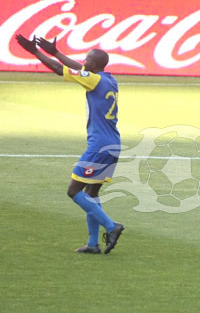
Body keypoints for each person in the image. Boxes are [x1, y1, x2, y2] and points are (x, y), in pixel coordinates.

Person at [14, 34, 124, 254]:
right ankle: (93, 244)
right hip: (113, 144)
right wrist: (54, 52)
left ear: (93, 65)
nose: (83, 61)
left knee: (74, 190)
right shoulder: (109, 79)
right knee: (92, 194)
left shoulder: (93, 79)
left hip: (99, 146)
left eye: (87, 60)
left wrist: (35, 52)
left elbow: (59, 70)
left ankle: (112, 226)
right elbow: (79, 68)